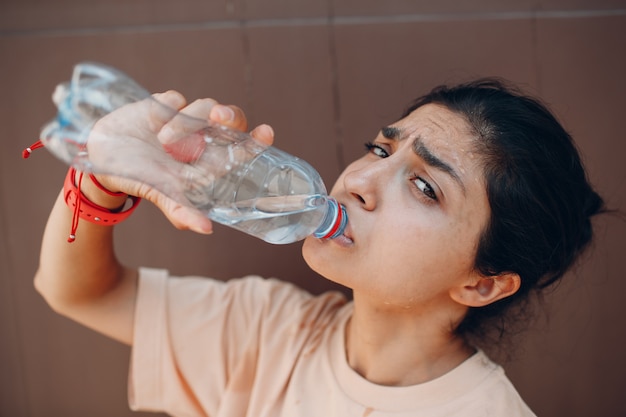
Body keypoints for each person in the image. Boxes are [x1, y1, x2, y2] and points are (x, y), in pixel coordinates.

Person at [34, 78, 605, 416]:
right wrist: (102, 181)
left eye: (425, 188)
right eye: (381, 151)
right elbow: (81, 294)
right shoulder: (269, 330)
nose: (358, 181)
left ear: (481, 282)